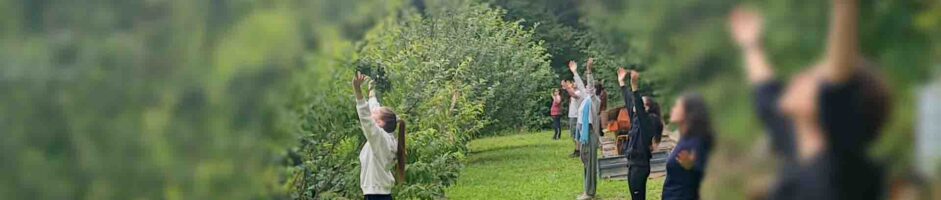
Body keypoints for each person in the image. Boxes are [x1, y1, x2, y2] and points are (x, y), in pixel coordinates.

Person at [729, 0, 892, 199]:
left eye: (813, 78)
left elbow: (841, 83)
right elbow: (767, 94)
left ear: (833, 105)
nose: (799, 77)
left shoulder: (844, 171)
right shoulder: (798, 145)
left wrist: (845, 8)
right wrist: (751, 45)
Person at [352, 72, 403, 200]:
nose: (372, 112)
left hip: (376, 195)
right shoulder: (386, 137)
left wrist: (357, 91)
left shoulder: (380, 139)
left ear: (380, 123)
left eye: (374, 114)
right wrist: (371, 91)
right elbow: (374, 108)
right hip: (378, 193)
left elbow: (366, 119)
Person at [617, 68, 665, 200]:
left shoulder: (650, 121)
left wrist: (635, 87)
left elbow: (637, 104)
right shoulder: (636, 118)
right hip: (632, 163)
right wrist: (622, 83)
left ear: (647, 108)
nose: (635, 106)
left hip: (640, 165)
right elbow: (630, 101)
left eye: (641, 105)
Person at [661, 92, 715, 200]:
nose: (673, 108)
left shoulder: (697, 141)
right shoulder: (685, 139)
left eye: (677, 105)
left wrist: (692, 167)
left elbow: (710, 175)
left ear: (688, 112)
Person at [564, 58, 602, 200]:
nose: (585, 87)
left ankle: (589, 193)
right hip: (584, 134)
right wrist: (574, 72)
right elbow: (580, 84)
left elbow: (589, 85)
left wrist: (589, 71)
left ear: (593, 90)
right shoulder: (586, 99)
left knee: (590, 164)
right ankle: (587, 190)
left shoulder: (594, 100)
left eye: (588, 87)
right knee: (585, 161)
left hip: (591, 134)